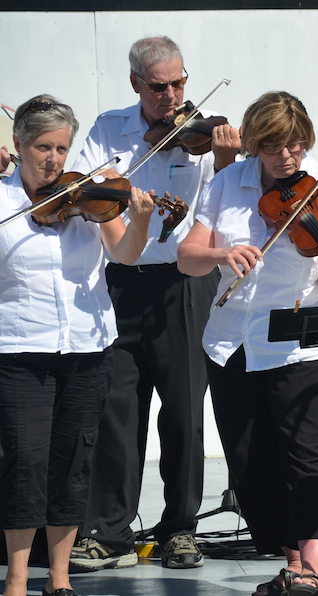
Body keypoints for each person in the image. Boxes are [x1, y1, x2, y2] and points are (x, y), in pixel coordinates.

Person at [177, 91, 318, 596]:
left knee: (309, 452)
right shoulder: (225, 184)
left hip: (305, 339)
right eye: (276, 147)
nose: (288, 157)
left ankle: (313, 568)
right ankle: (292, 566)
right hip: (234, 339)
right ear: (255, 144)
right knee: (251, 456)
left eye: (298, 146)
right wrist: (221, 252)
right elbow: (186, 257)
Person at [68, 36, 240, 572]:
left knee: (185, 409)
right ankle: (110, 530)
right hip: (120, 280)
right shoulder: (108, 128)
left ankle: (180, 528)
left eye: (180, 83)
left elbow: (225, 198)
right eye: (161, 86)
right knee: (117, 408)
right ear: (137, 84)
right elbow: (90, 189)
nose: (173, 95)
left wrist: (227, 157)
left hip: (184, 281)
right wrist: (140, 158)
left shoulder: (205, 133)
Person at [0, 95, 155, 596]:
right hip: (19, 347)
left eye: (62, 148)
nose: (54, 159)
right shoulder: (3, 202)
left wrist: (142, 220)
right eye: (43, 147)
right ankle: (19, 579)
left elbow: (126, 255)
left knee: (73, 458)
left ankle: (60, 578)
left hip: (87, 347)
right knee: (24, 461)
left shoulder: (88, 195)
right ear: (18, 145)